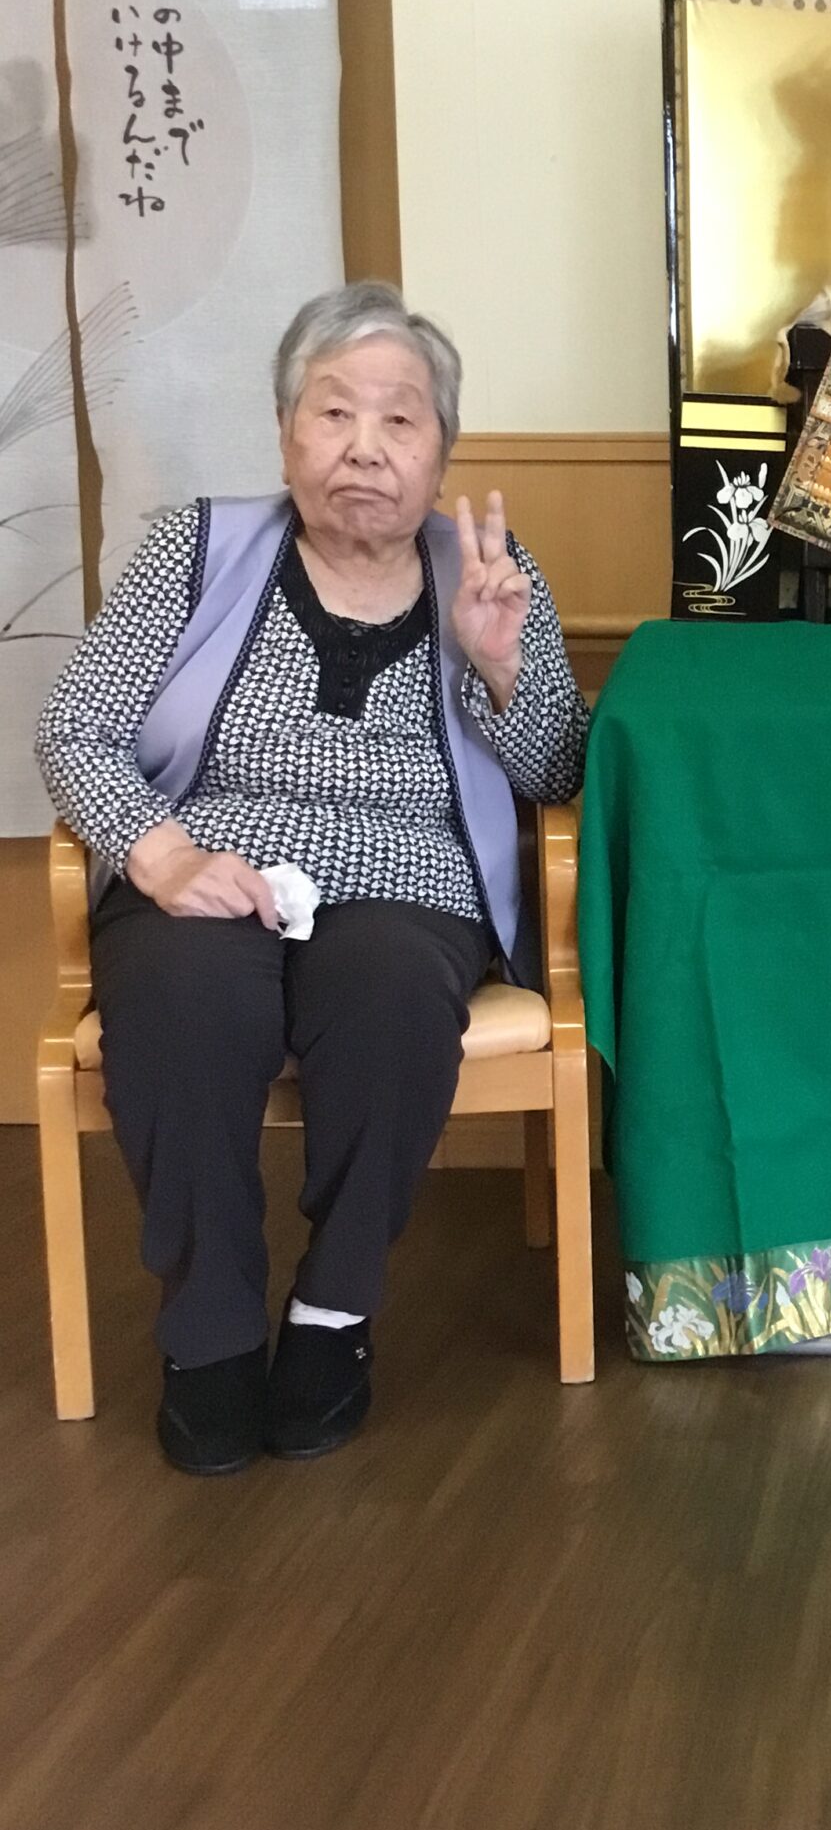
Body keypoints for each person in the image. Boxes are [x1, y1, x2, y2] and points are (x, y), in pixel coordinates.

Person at [36, 281, 588, 1475]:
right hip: (206, 868)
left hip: (409, 888)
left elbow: (557, 768)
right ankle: (210, 1330)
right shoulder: (193, 551)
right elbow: (75, 727)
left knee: (390, 993)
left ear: (441, 449)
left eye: (400, 419)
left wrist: (501, 667)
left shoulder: (491, 572)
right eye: (334, 412)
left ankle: (335, 1311)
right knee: (186, 994)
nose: (365, 447)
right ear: (286, 430)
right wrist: (161, 851)